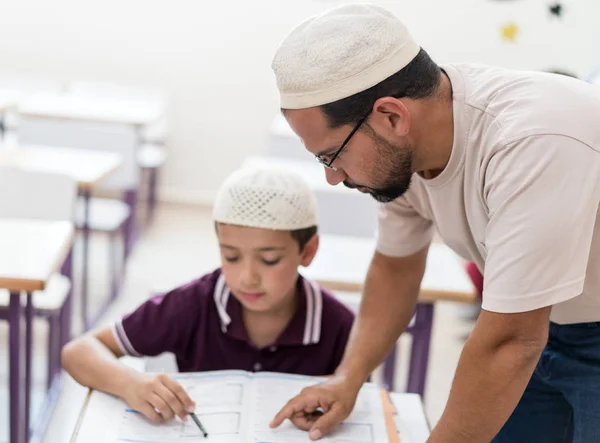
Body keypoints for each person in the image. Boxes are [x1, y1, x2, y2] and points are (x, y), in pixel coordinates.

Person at [268, 4, 600, 442]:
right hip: (541, 328)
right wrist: (347, 379)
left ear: (391, 116)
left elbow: (511, 341)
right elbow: (395, 268)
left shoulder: (532, 140)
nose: (333, 176)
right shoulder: (403, 152)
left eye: (332, 155)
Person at [61, 166, 355, 424]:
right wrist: (130, 383)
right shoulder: (191, 304)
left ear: (308, 251)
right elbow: (78, 352)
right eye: (231, 256)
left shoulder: (341, 325)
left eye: (269, 260)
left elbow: (354, 399)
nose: (247, 278)